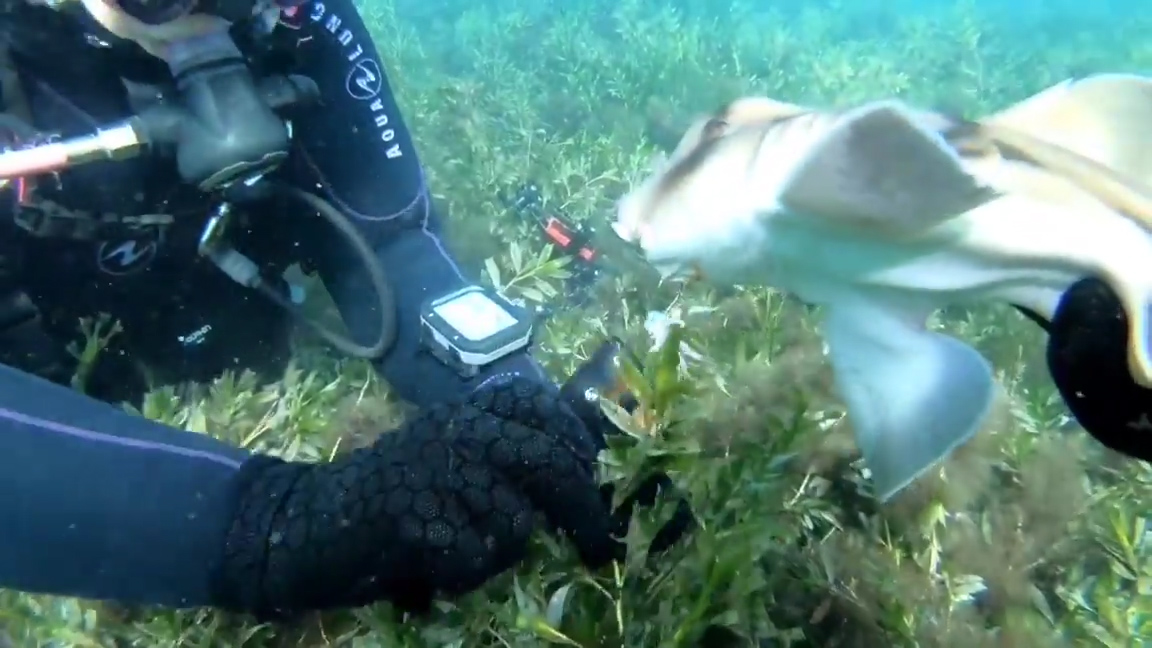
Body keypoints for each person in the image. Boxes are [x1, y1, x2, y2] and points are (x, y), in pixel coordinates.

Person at [0, 0, 683, 619]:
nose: (211, 12)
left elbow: (390, 243)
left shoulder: (298, 22)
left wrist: (512, 404)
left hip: (238, 322)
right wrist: (277, 526)